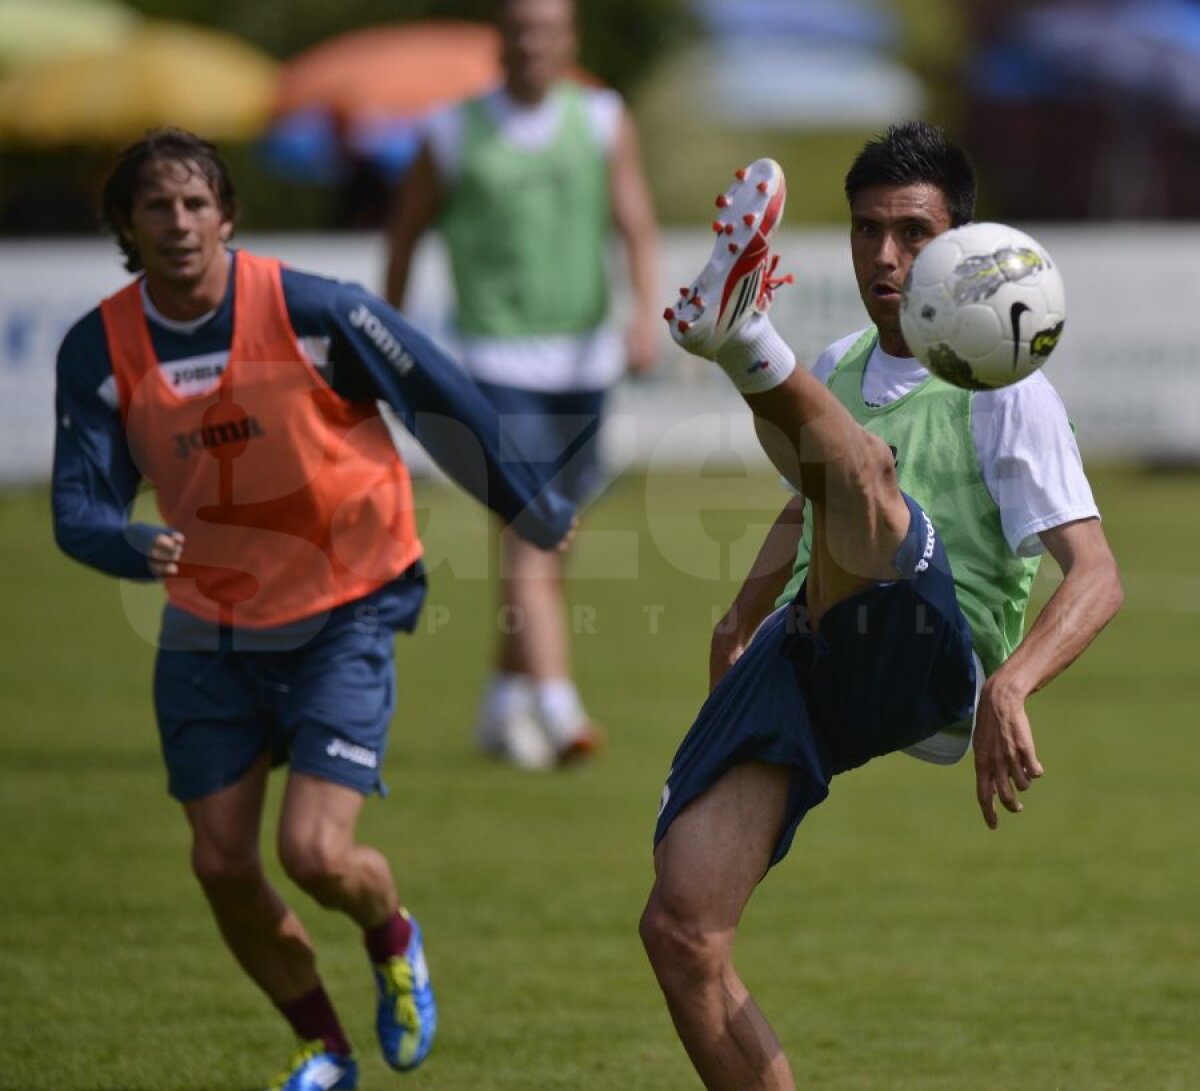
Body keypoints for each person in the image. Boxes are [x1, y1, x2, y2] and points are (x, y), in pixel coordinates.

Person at [51, 129, 575, 1091]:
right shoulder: (100, 349)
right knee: (219, 864)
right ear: (125, 224)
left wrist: (528, 505)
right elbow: (76, 506)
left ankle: (392, 934)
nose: (179, 224)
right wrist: (124, 541)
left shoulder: (314, 311)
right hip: (210, 620)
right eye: (157, 207)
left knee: (313, 852)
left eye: (197, 203)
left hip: (347, 602)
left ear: (228, 215)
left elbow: (437, 394)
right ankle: (324, 1047)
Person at [639, 122, 1124, 1090]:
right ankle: (741, 341)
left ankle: (739, 339)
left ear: (958, 242)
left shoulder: (1003, 383)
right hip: (817, 641)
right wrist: (739, 616)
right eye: (867, 231)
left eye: (910, 232)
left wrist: (1014, 685)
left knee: (863, 467)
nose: (886, 256)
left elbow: (1099, 573)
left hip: (933, 653)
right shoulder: (848, 359)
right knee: (683, 927)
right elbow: (809, 499)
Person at [385, 0, 661, 769]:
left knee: (553, 535)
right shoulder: (449, 131)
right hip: (491, 362)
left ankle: (502, 700)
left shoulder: (605, 119)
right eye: (521, 30)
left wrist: (644, 316)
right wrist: (388, 340)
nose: (534, 43)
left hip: (586, 362)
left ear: (569, 38)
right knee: (527, 529)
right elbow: (404, 234)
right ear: (499, 42)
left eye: (548, 29)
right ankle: (557, 702)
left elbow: (634, 223)